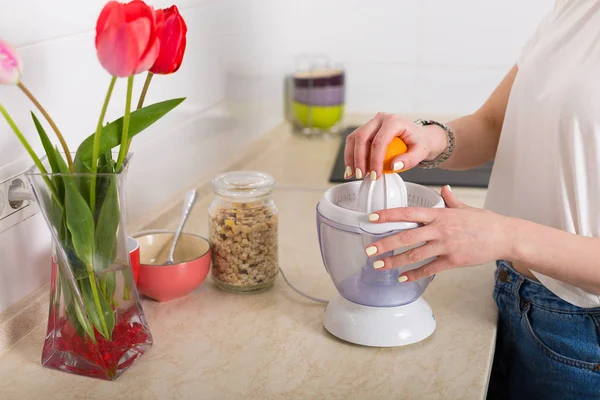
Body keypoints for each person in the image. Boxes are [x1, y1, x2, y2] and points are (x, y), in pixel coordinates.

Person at [344, 1, 600, 399]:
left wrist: (505, 235)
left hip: (584, 336)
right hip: (511, 293)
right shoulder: (577, 9)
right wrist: (429, 138)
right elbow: (494, 122)